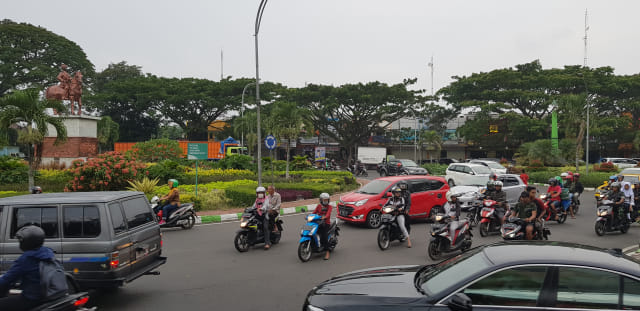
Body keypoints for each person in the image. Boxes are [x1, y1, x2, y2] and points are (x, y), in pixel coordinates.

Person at [0, 226, 59, 311]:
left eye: (21, 241)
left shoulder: (27, 258)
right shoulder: (47, 253)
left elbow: (7, 279)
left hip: (32, 298)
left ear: (27, 242)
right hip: (49, 295)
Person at [313, 193, 333, 260]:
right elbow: (314, 212)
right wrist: (308, 216)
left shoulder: (329, 207)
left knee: (324, 236)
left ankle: (327, 252)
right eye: (324, 200)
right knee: (312, 233)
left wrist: (325, 217)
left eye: (327, 200)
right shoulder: (318, 206)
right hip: (318, 223)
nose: (325, 201)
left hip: (326, 223)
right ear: (321, 200)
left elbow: (328, 214)